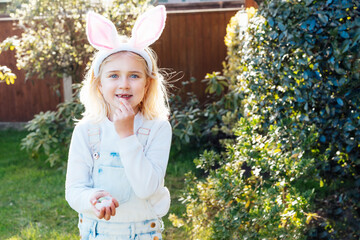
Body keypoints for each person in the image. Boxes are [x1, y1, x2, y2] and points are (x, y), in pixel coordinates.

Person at [65, 5, 172, 240]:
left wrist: (127, 135)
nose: (124, 84)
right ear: (99, 85)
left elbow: (146, 188)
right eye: (113, 75)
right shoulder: (86, 130)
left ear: (147, 85)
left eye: (134, 75)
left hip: (143, 232)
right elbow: (74, 190)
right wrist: (91, 199)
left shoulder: (158, 128)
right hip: (96, 232)